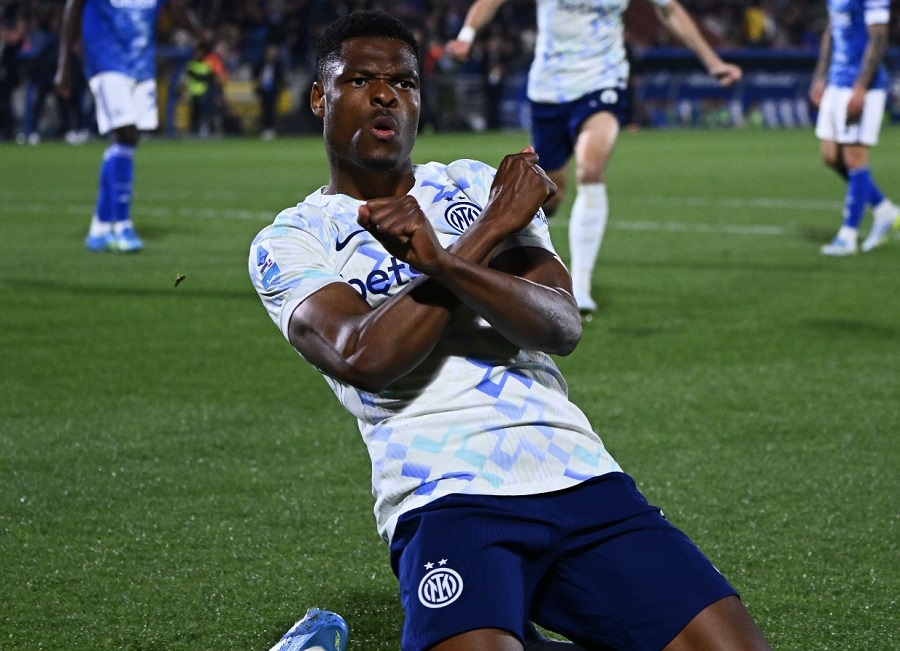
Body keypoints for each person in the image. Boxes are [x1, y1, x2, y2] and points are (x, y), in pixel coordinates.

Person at [250, 10, 772, 651]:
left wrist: (448, 254)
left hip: (578, 474)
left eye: (405, 82)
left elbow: (560, 324)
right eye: (360, 80)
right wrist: (484, 236)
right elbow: (364, 357)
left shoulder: (474, 184)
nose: (386, 95)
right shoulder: (294, 239)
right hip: (445, 493)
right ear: (319, 98)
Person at [446, 0, 742, 315]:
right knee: (550, 196)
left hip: (604, 82)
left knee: (591, 169)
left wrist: (712, 62)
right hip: (550, 89)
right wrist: (466, 35)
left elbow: (669, 9)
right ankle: (498, 252)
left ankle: (580, 288)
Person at [54, 0, 203, 253]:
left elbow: (177, 7)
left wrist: (199, 35)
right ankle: (122, 225)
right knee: (126, 131)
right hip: (105, 58)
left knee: (125, 142)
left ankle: (100, 227)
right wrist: (63, 65)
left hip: (141, 63)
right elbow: (73, 6)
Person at [809, 0, 899, 255]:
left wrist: (861, 87)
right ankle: (884, 210)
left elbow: (879, 36)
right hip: (836, 81)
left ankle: (848, 236)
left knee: (854, 157)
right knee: (830, 156)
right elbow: (831, 29)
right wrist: (821, 75)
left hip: (862, 85)